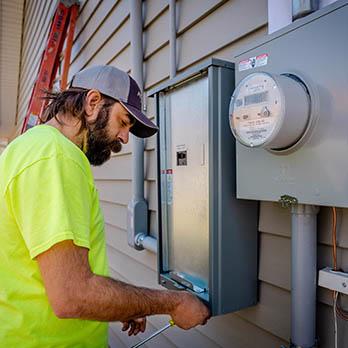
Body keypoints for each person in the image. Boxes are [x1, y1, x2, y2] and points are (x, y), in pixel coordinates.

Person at [0, 65, 210, 347]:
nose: (124, 138)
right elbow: (72, 295)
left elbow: (60, 274)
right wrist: (173, 303)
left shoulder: (26, 147)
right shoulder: (56, 158)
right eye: (123, 122)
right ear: (92, 102)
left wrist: (127, 305)